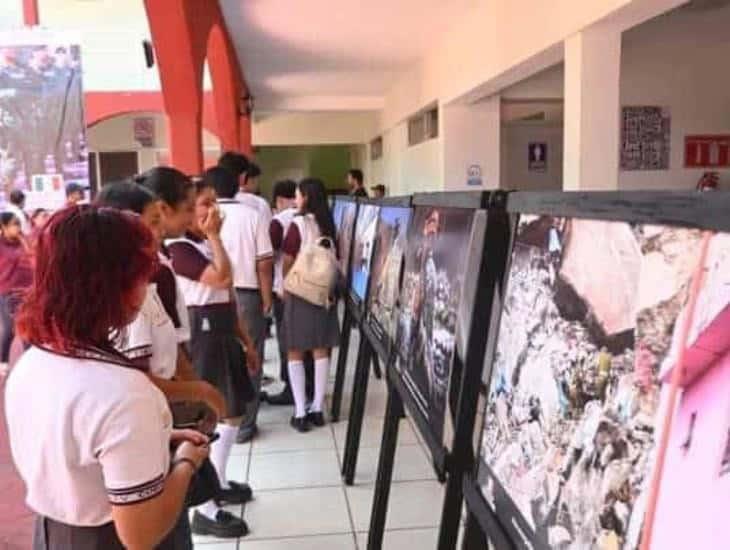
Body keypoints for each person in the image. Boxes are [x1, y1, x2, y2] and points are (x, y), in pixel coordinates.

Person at [6, 206, 210, 549]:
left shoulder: (33, 364)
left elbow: (73, 453)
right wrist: (188, 459)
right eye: (142, 276)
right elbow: (140, 534)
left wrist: (157, 436)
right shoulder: (124, 393)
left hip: (54, 534)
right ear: (119, 285)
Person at [167, 177, 257, 538]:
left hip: (220, 328)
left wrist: (246, 340)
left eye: (210, 203)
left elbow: (229, 293)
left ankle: (215, 483)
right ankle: (205, 505)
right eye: (201, 204)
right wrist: (217, 237)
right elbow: (221, 279)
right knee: (213, 414)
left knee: (231, 410)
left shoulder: (200, 244)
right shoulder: (179, 248)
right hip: (203, 334)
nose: (209, 211)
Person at [208, 165, 274, 444]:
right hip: (247, 293)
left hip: (211, 296)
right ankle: (245, 424)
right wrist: (267, 298)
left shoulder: (203, 220)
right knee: (251, 354)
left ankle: (217, 420)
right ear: (238, 183)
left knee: (217, 357)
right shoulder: (253, 214)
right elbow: (264, 262)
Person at [282, 179, 341, 432]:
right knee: (320, 349)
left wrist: (284, 285)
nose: (295, 199)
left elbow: (287, 259)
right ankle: (317, 408)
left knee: (295, 350)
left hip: (299, 291)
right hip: (323, 291)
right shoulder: (329, 224)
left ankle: (300, 411)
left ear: (305, 196)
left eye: (297, 195)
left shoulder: (298, 224)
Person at [264, 180, 315, 406]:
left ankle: (292, 389)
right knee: (311, 341)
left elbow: (273, 254)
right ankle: (312, 386)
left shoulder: (278, 221)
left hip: (286, 290)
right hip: (312, 289)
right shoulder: (314, 218)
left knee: (290, 343)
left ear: (279, 200)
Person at [0, 212, 31, 366]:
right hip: (7, 292)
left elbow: (32, 257)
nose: (17, 227)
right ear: (3, 227)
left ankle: (28, 360)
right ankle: (3, 361)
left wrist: (23, 241)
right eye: (13, 224)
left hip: (27, 291)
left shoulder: (23, 240)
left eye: (18, 223)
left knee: (28, 326)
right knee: (11, 329)